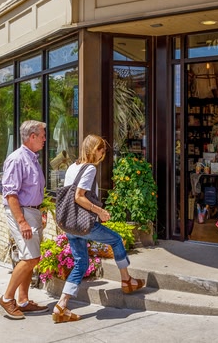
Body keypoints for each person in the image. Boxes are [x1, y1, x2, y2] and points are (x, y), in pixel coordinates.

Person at [53, 134, 145, 323]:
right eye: (101, 150)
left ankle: (61, 305)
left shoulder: (72, 167)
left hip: (70, 224)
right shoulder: (89, 169)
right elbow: (79, 196)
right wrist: (100, 211)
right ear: (94, 149)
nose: (103, 154)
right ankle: (126, 280)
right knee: (116, 240)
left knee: (81, 263)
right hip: (84, 224)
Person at [0, 120, 49, 319]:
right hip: (22, 213)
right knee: (31, 257)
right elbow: (11, 194)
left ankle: (23, 301)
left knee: (28, 256)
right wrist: (22, 221)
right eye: (43, 135)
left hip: (32, 212)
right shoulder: (17, 159)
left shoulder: (32, 158)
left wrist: (40, 212)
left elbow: (34, 190)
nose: (45, 138)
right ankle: (7, 298)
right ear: (32, 137)